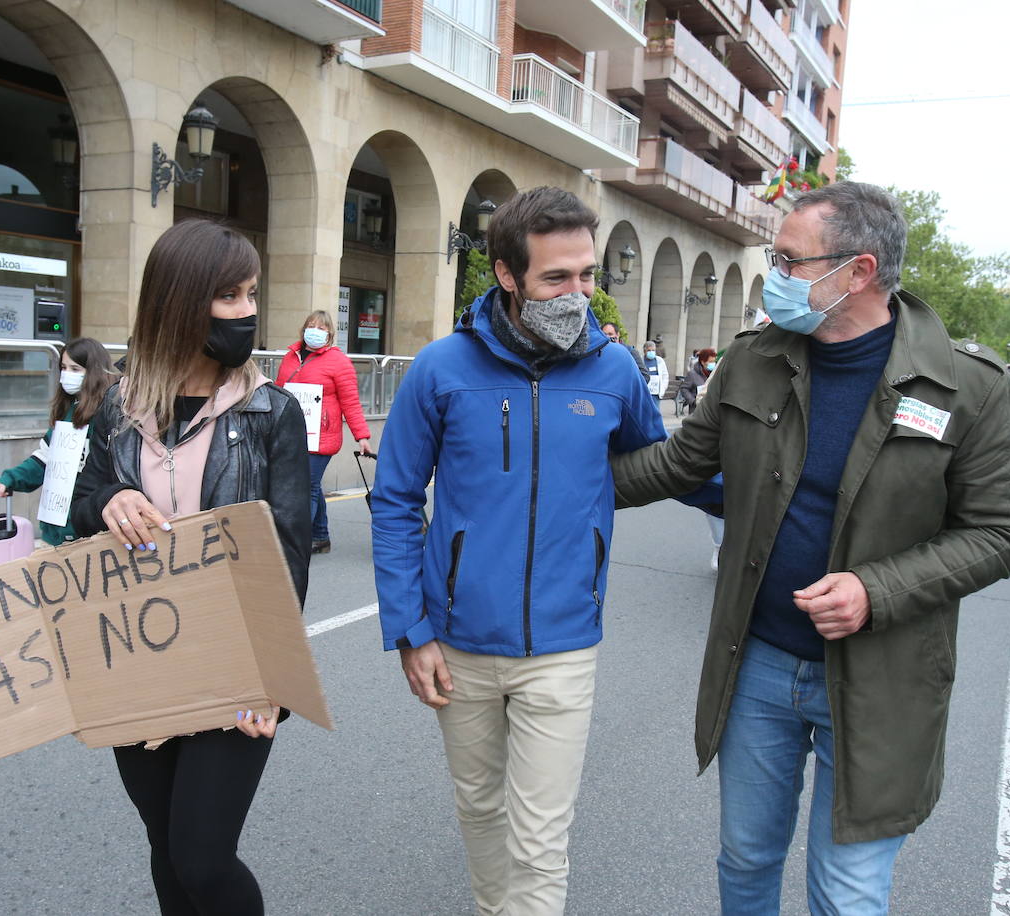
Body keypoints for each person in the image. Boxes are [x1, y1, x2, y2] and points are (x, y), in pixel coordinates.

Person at [608, 182, 1010, 913]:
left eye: (788, 260)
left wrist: (877, 590)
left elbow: (1001, 531)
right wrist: (545, 481)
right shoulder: (754, 359)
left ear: (859, 271)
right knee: (745, 860)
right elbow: (678, 465)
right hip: (760, 663)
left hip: (881, 679)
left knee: (847, 890)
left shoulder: (968, 384)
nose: (773, 276)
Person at [371, 187, 665, 916]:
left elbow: (668, 466)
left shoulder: (616, 371)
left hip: (564, 643)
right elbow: (396, 501)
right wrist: (411, 631)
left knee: (540, 839)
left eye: (588, 275)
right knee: (479, 811)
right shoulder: (441, 370)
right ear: (506, 274)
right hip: (458, 644)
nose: (578, 294)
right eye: (556, 278)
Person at [69, 219, 310, 915]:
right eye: (227, 296)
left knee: (204, 860)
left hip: (233, 663)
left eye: (250, 295)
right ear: (177, 301)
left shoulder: (271, 412)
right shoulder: (119, 403)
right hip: (137, 659)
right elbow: (84, 502)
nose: (246, 312)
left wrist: (274, 677)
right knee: (165, 847)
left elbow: (287, 552)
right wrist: (110, 498)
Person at [0, 337, 116, 545]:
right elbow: (43, 460)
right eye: (64, 368)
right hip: (55, 528)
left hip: (89, 529)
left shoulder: (108, 414)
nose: (67, 375)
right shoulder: (66, 412)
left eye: (75, 369)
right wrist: (9, 480)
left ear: (94, 372)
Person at [276, 309, 373, 554]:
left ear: (330, 333)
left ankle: (296, 542)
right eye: (311, 325)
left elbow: (351, 401)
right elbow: (278, 392)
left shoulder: (338, 362)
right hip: (293, 433)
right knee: (312, 485)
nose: (315, 331)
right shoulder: (291, 356)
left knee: (305, 486)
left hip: (322, 437)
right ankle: (320, 537)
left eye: (321, 327)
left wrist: (361, 436)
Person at [642, 339, 669, 407]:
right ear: (644, 351)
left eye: (653, 350)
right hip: (644, 393)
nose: (651, 352)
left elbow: (665, 376)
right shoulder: (641, 361)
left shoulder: (660, 361)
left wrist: (663, 387)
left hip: (656, 394)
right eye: (649, 350)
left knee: (655, 413)